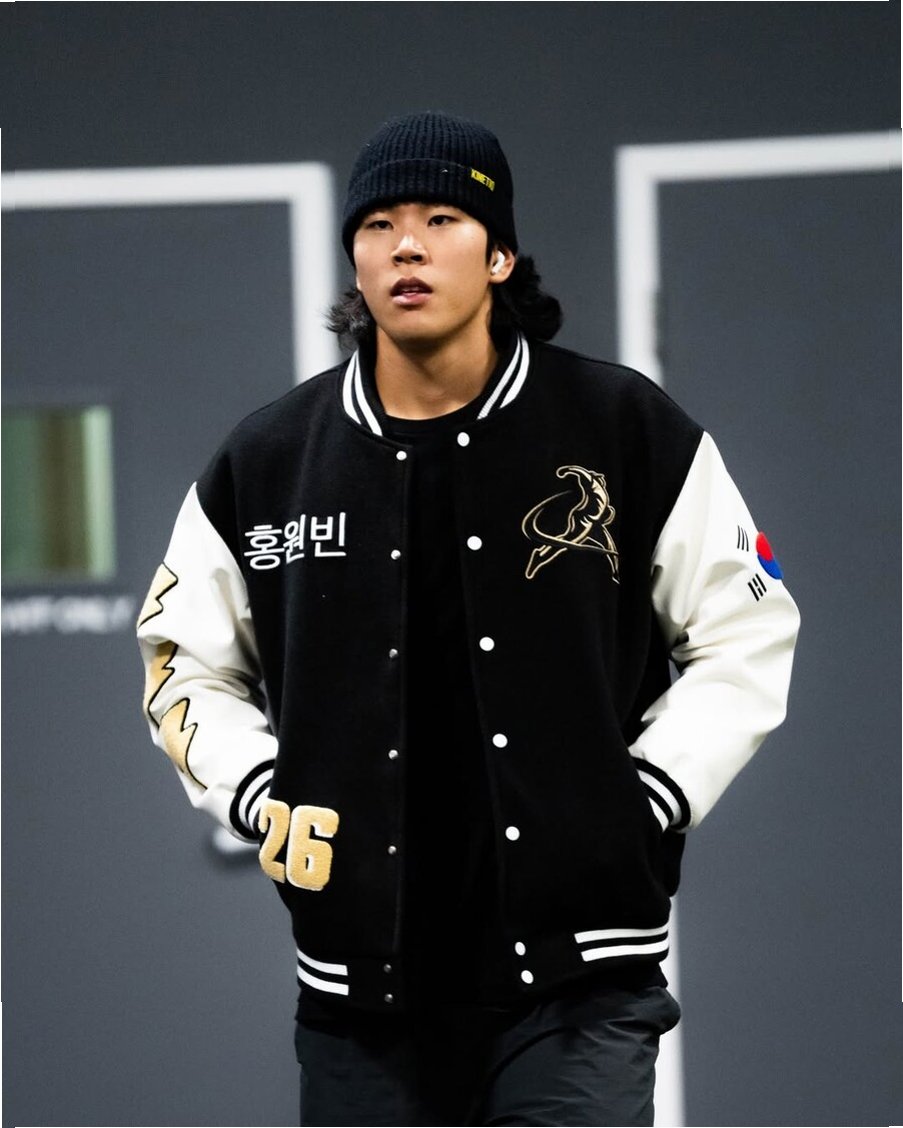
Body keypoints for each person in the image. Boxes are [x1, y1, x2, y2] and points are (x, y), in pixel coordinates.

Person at [137, 111, 800, 1127]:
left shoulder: (624, 428)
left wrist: (647, 794)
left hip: (581, 981)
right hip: (359, 997)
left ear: (499, 257)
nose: (405, 245)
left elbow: (745, 630)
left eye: (441, 219)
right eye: (379, 226)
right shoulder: (266, 461)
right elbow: (182, 663)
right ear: (356, 263)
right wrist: (261, 795)